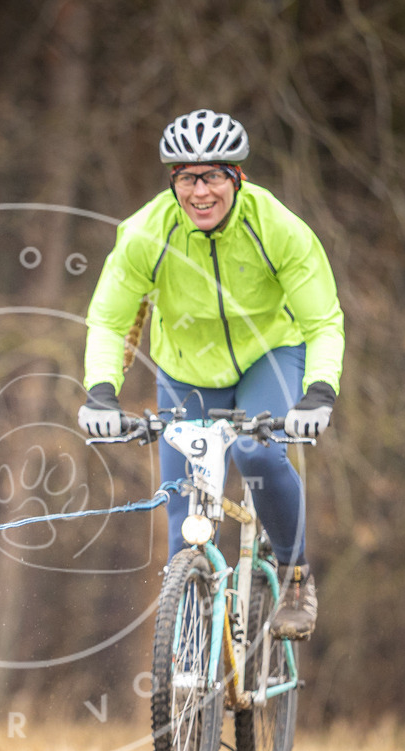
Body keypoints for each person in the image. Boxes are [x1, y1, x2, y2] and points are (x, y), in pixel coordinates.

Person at [78, 109, 345, 639]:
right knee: (184, 528)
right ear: (172, 183)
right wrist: (101, 395)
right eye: (186, 178)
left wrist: (318, 394)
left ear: (237, 177)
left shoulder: (277, 228)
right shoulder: (144, 234)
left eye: (212, 176)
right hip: (186, 374)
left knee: (255, 450)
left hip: (268, 357)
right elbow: (108, 320)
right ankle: (189, 668)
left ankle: (294, 577)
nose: (200, 191)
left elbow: (323, 320)